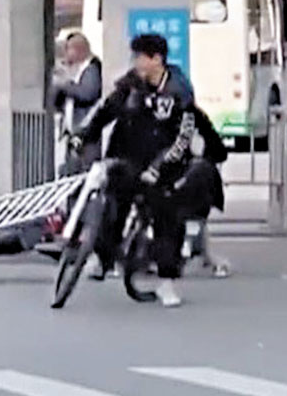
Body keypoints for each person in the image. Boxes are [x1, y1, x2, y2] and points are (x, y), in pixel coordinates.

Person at [74, 33, 225, 308]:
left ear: (157, 59)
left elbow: (182, 138)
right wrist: (82, 135)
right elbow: (105, 112)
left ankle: (167, 282)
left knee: (167, 218)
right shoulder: (130, 86)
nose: (136, 63)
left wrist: (159, 167)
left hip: (165, 167)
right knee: (111, 203)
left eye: (141, 57)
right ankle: (103, 257)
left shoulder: (179, 92)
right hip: (128, 158)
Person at [51, 32, 103, 175]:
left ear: (78, 50)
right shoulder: (75, 69)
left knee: (83, 173)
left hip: (87, 131)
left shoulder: (92, 69)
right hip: (73, 132)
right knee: (70, 172)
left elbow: (87, 93)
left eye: (68, 50)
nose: (66, 55)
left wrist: (64, 85)